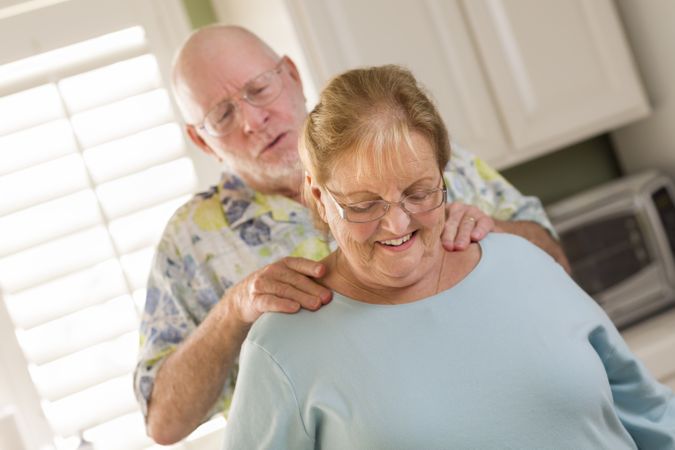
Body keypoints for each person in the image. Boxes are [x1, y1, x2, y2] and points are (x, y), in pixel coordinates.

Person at [134, 25, 569, 444]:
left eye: (259, 90)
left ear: (292, 75)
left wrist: (493, 232)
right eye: (223, 115)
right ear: (201, 141)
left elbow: (558, 267)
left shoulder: (411, 147)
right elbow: (163, 424)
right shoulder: (189, 240)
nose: (252, 120)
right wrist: (233, 310)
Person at [222, 64, 675, 449]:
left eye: (419, 193)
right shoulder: (282, 348)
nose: (397, 225)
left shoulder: (520, 261)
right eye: (363, 204)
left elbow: (650, 416)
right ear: (320, 200)